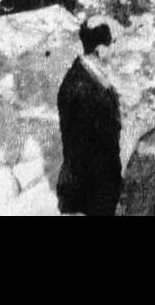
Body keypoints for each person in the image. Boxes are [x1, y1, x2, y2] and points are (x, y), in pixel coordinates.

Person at [57, 17, 123, 216]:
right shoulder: (81, 90)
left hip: (99, 189)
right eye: (115, 44)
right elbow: (83, 152)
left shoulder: (89, 76)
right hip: (92, 195)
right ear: (100, 50)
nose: (116, 50)